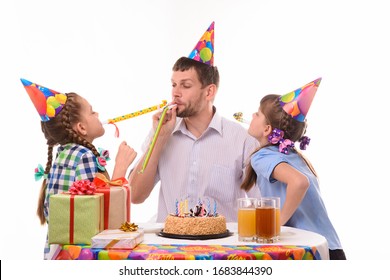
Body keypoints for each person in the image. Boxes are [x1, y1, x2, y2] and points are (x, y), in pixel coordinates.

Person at [129, 22, 261, 222]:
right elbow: (136, 195)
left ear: (209, 91)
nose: (175, 92)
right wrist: (159, 138)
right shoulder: (161, 133)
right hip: (171, 246)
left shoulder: (242, 140)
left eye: (186, 85)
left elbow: (260, 205)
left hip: (222, 248)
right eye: (173, 84)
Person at [21, 78, 137, 259]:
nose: (97, 114)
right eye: (92, 112)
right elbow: (99, 216)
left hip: (57, 253)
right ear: (82, 128)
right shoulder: (85, 156)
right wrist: (121, 169)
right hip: (81, 254)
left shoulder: (62, 154)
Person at [240, 78, 346, 260]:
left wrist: (277, 224)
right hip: (331, 248)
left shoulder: (262, 156)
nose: (252, 115)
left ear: (267, 129)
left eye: (257, 114)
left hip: (307, 251)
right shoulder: (294, 156)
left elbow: (299, 182)